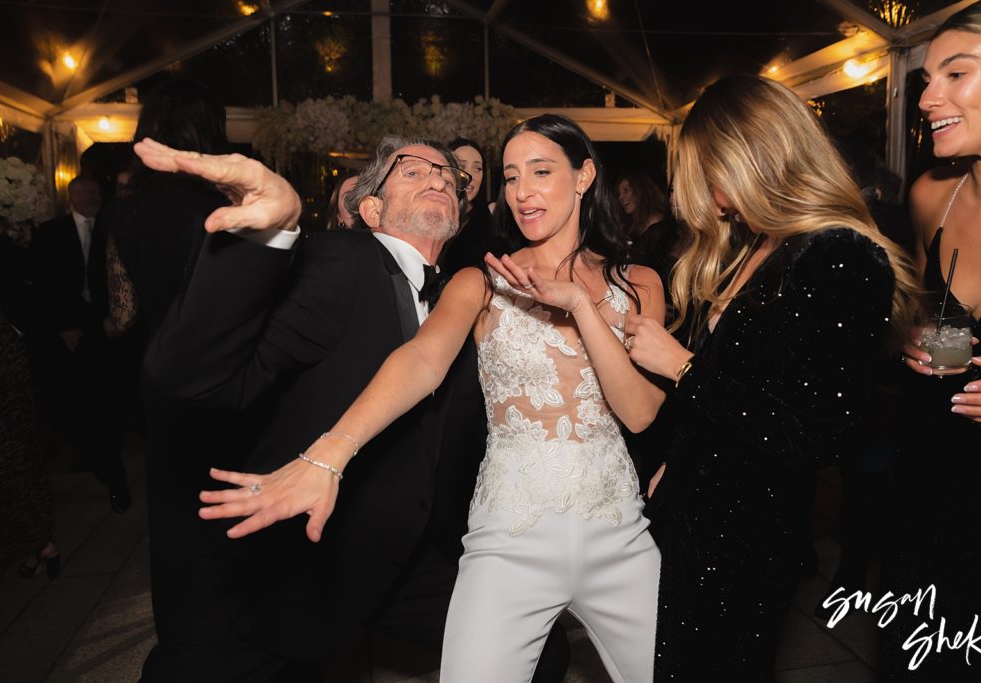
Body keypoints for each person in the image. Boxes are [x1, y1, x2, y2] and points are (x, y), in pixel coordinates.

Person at [196, 114, 666, 682]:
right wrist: (330, 454)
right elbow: (420, 360)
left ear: (585, 175)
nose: (522, 191)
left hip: (619, 531)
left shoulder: (639, 283)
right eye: (511, 177)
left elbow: (640, 413)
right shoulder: (481, 282)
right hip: (511, 538)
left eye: (540, 172)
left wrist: (583, 307)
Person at [135, 134, 567, 681]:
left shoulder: (455, 302)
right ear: (369, 208)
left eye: (447, 178)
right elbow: (189, 376)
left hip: (400, 557)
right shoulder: (340, 260)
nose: (437, 178)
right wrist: (264, 235)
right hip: (281, 568)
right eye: (411, 171)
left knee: (538, 644)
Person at [621, 75, 919, 680]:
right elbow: (733, 388)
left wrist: (680, 366)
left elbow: (812, 434)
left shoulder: (838, 255)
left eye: (710, 168)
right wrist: (675, 462)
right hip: (695, 518)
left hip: (747, 537)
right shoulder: (750, 245)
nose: (702, 190)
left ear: (750, 155)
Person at [889, 1, 981, 677]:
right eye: (927, 78)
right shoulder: (934, 195)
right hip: (935, 477)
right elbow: (914, 309)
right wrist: (908, 334)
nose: (928, 97)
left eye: (955, 74)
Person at [102, 78, 237, 649]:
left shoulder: (125, 212)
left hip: (162, 377)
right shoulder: (229, 207)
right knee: (233, 511)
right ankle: (237, 637)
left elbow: (122, 312)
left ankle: (181, 639)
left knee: (174, 517)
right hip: (230, 379)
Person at [30, 175, 130, 513]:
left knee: (106, 398)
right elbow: (47, 282)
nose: (91, 197)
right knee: (75, 400)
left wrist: (118, 317)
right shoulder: (50, 233)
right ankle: (92, 455)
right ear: (71, 197)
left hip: (105, 327)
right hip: (70, 329)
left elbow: (124, 275)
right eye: (84, 193)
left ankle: (113, 471)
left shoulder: (113, 229)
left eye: (95, 192)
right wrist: (66, 325)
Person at [0, 251, 58, 588]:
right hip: (3, 354)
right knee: (17, 458)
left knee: (4, 464)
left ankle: (38, 543)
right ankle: (40, 545)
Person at [438, 137, 492, 273]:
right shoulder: (430, 214)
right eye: (461, 166)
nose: (471, 176)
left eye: (478, 168)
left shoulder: (491, 216)